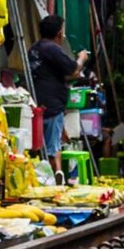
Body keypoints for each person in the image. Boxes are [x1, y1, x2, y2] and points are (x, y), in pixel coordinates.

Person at [28, 14, 90, 175]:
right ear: (58, 33)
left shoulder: (35, 48)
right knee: (53, 148)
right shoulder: (52, 48)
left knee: (39, 145)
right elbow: (73, 69)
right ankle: (57, 181)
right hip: (52, 104)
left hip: (36, 102)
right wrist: (81, 58)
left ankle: (46, 178)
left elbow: (60, 73)